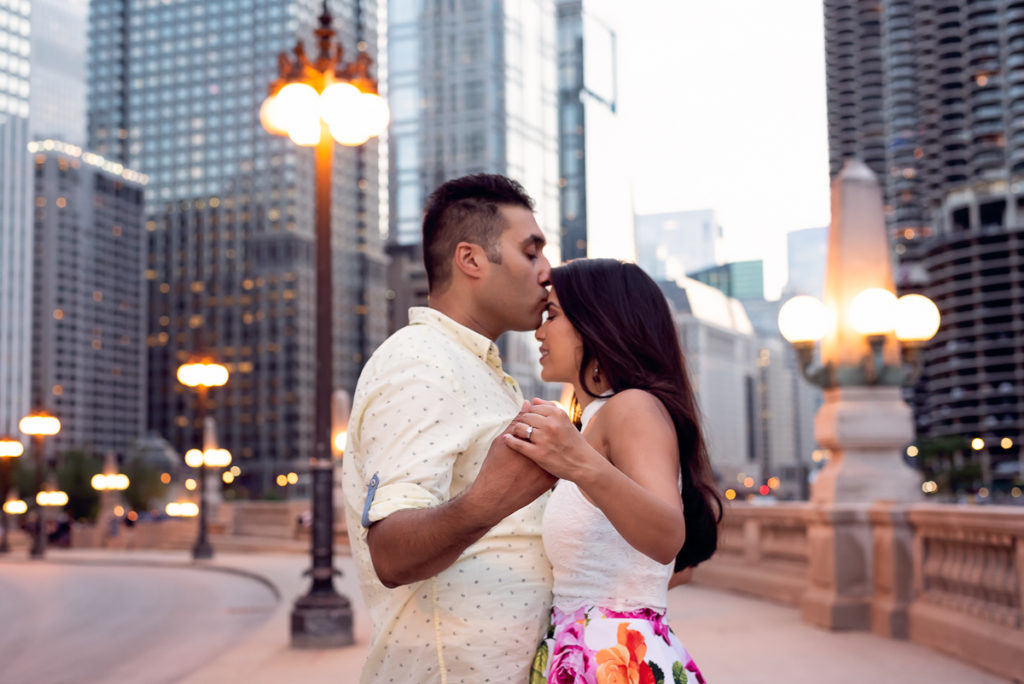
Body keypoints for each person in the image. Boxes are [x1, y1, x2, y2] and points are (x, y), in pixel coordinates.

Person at [341, 174, 557, 682]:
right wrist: (489, 500)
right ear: (471, 260)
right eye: (531, 253)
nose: (547, 271)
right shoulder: (420, 361)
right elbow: (391, 552)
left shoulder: (479, 369)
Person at [503, 258, 722, 683]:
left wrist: (577, 463)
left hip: (614, 660)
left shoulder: (631, 407)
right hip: (583, 651)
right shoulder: (599, 419)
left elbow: (666, 537)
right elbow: (670, 568)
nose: (539, 331)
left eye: (553, 315)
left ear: (597, 324)